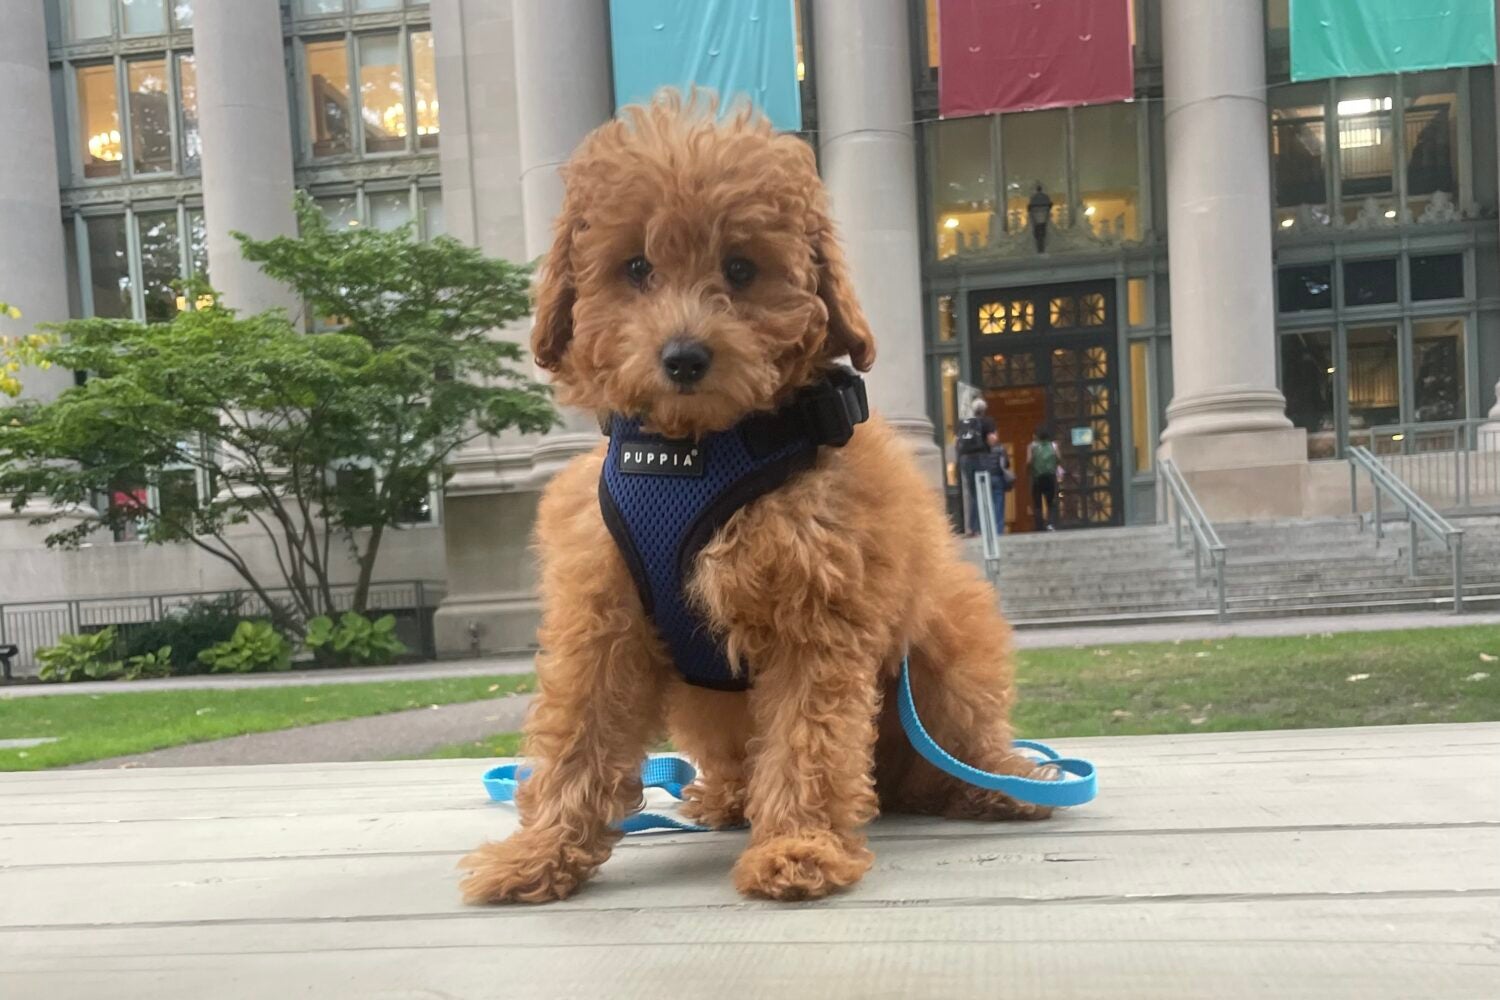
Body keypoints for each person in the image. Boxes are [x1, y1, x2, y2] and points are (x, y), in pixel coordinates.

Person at [955, 398, 997, 537]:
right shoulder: (987, 421)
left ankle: (971, 528)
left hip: (965, 459)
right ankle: (982, 528)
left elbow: (956, 442)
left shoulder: (965, 424)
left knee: (973, 493)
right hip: (981, 458)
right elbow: (992, 440)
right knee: (983, 492)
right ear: (984, 409)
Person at [1028, 424, 1062, 532]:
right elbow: (1059, 459)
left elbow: (1028, 462)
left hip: (1037, 478)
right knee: (1051, 502)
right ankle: (1050, 524)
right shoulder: (1053, 445)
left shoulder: (1032, 446)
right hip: (1050, 477)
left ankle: (1039, 526)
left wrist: (1030, 470)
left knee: (1037, 503)